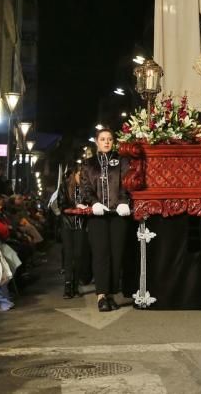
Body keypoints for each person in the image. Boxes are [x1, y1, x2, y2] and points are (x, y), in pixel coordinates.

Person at [83, 129, 132, 312]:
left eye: (110, 139)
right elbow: (86, 188)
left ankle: (111, 293)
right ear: (96, 141)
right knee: (100, 254)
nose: (106, 142)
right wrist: (94, 203)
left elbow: (127, 184)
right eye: (103, 139)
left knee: (116, 254)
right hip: (98, 216)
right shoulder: (88, 164)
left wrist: (123, 202)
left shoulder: (122, 161)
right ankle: (101, 295)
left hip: (118, 214)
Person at [58, 165, 93, 299]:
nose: (83, 177)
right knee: (69, 255)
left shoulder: (86, 188)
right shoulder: (65, 186)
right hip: (68, 224)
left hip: (81, 224)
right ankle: (67, 286)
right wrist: (75, 209)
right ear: (75, 174)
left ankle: (75, 285)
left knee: (79, 255)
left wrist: (86, 209)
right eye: (81, 174)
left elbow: (90, 202)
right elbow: (61, 206)